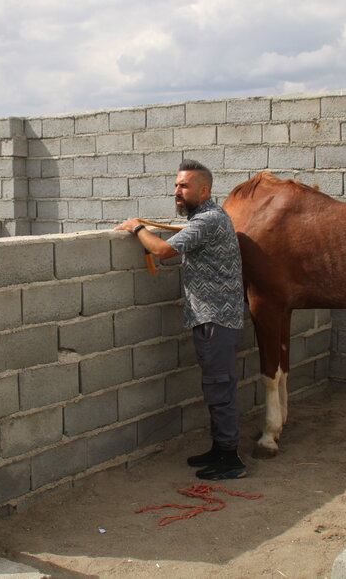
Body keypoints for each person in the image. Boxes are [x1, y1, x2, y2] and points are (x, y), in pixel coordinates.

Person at [115, 160, 246, 480]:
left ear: (204, 190)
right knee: (216, 388)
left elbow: (161, 251)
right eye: (176, 185)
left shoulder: (208, 220)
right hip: (212, 319)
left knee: (219, 389)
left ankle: (231, 459)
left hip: (216, 320)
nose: (177, 191)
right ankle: (220, 449)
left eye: (184, 186)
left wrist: (136, 227)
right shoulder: (208, 217)